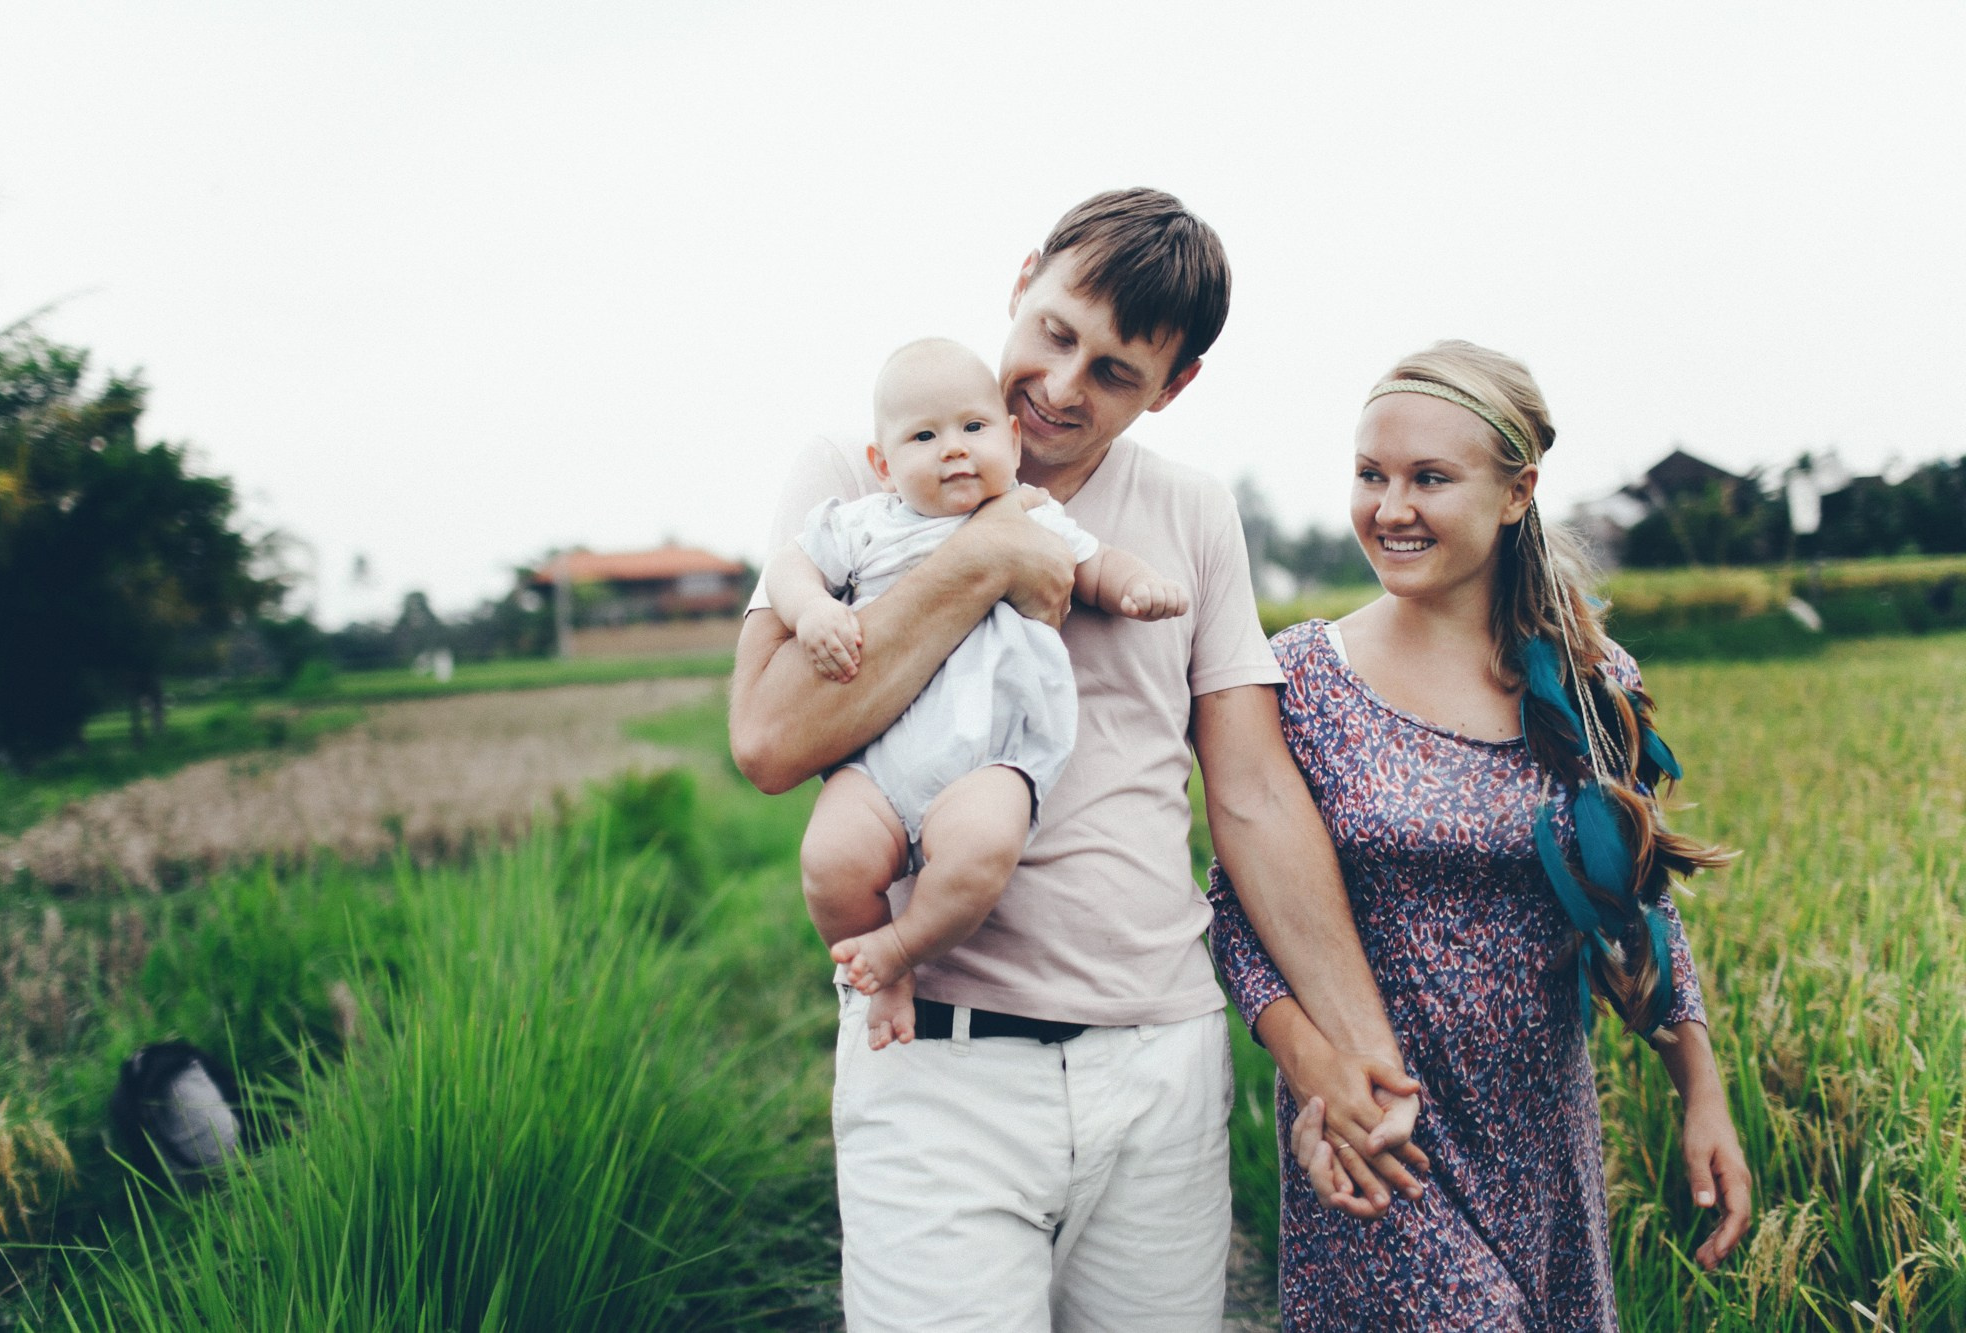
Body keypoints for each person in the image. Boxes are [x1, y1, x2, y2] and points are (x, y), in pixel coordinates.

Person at [730, 188, 1424, 1331]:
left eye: (1112, 371)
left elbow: (1249, 794)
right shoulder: (858, 470)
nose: (1059, 385)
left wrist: (1355, 1048)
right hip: (937, 1064)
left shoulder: (1192, 511)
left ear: (1172, 386)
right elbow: (765, 740)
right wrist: (985, 554)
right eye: (1053, 333)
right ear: (1021, 280)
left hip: (1159, 1065)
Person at [1206, 339, 1753, 1330]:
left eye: (1428, 478)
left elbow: (1635, 905)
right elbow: (1236, 915)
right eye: (1369, 474)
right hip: (1381, 1140)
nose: (1389, 507)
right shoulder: (1301, 681)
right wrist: (1311, 1070)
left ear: (1514, 492)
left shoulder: (1590, 681)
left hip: (1539, 1148)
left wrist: (1698, 1092)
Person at [765, 337, 1187, 1051]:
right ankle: (877, 967)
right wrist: (812, 610)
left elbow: (1094, 566)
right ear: (883, 464)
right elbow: (788, 566)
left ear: (1012, 439)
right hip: (879, 767)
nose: (953, 449)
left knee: (982, 849)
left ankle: (903, 946)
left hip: (990, 759)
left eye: (973, 428)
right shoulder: (865, 524)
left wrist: (1134, 586)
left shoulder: (1032, 514)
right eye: (924, 436)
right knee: (829, 860)